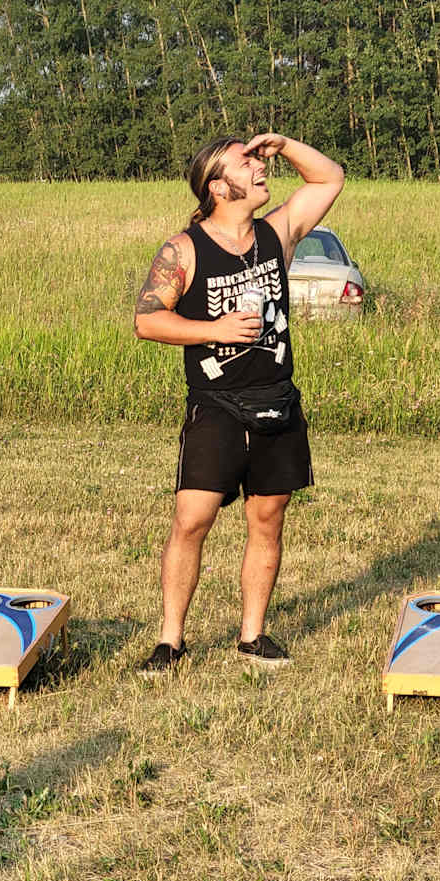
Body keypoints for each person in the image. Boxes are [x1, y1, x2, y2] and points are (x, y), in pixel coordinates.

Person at [134, 132, 345, 673]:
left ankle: (252, 636)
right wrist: (215, 328)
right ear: (216, 184)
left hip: (276, 400)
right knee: (192, 518)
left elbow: (329, 178)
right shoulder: (184, 249)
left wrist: (285, 144)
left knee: (268, 517)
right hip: (216, 403)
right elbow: (148, 320)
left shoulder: (277, 234)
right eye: (245, 162)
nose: (258, 168)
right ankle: (170, 641)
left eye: (257, 159)